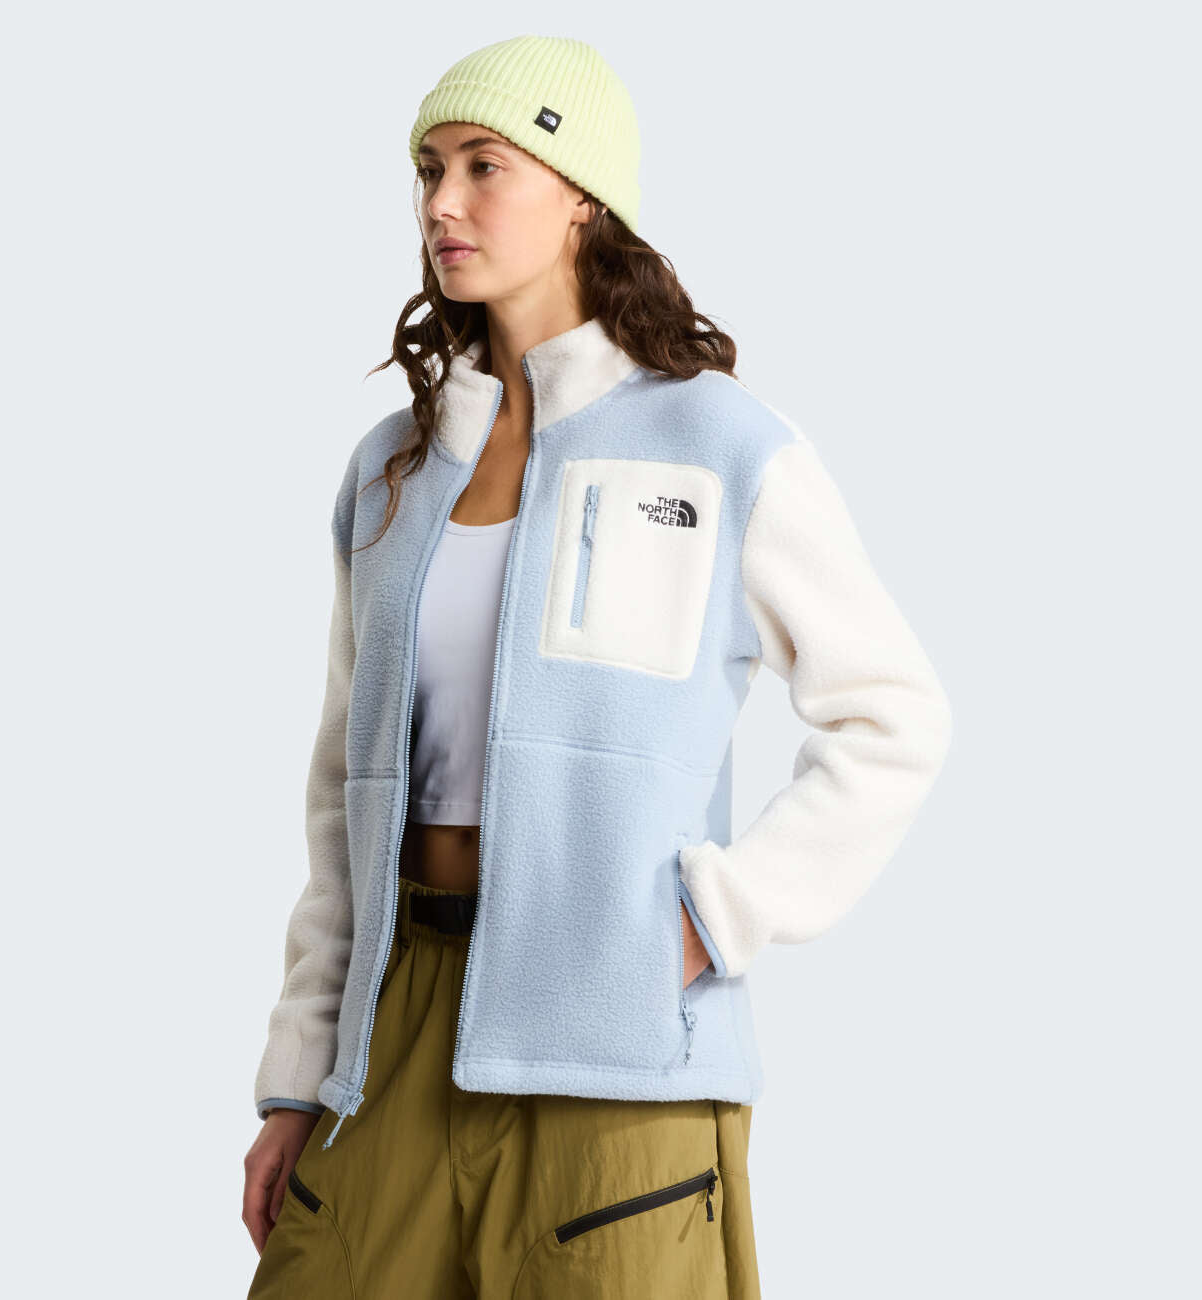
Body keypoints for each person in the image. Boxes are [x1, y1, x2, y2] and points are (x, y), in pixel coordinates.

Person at [242, 34, 952, 1299]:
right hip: (395, 1026)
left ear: (582, 195)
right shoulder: (391, 468)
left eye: (484, 166)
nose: (441, 203)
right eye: (427, 170)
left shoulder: (719, 442)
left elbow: (892, 715)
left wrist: (711, 917)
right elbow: (340, 787)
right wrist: (299, 1074)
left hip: (613, 1046)